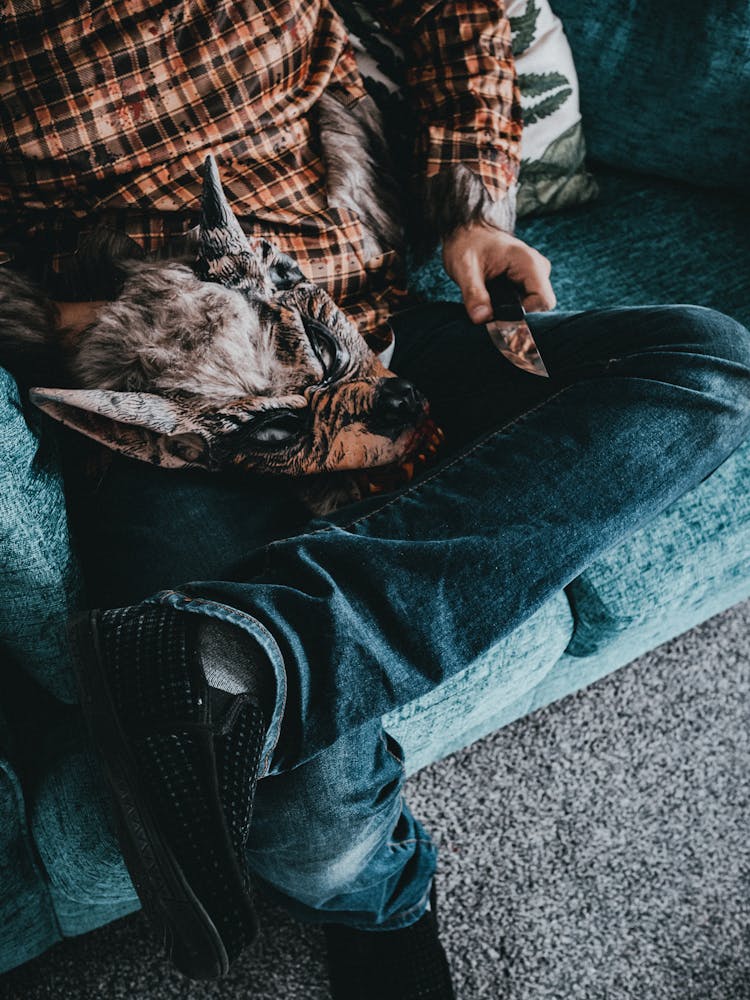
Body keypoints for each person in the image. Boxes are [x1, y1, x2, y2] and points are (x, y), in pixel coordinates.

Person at [2, 2, 750, 997]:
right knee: (313, 822)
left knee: (704, 362)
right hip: (162, 410)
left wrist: (476, 211)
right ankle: (386, 902)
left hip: (365, 331)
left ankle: (272, 650)